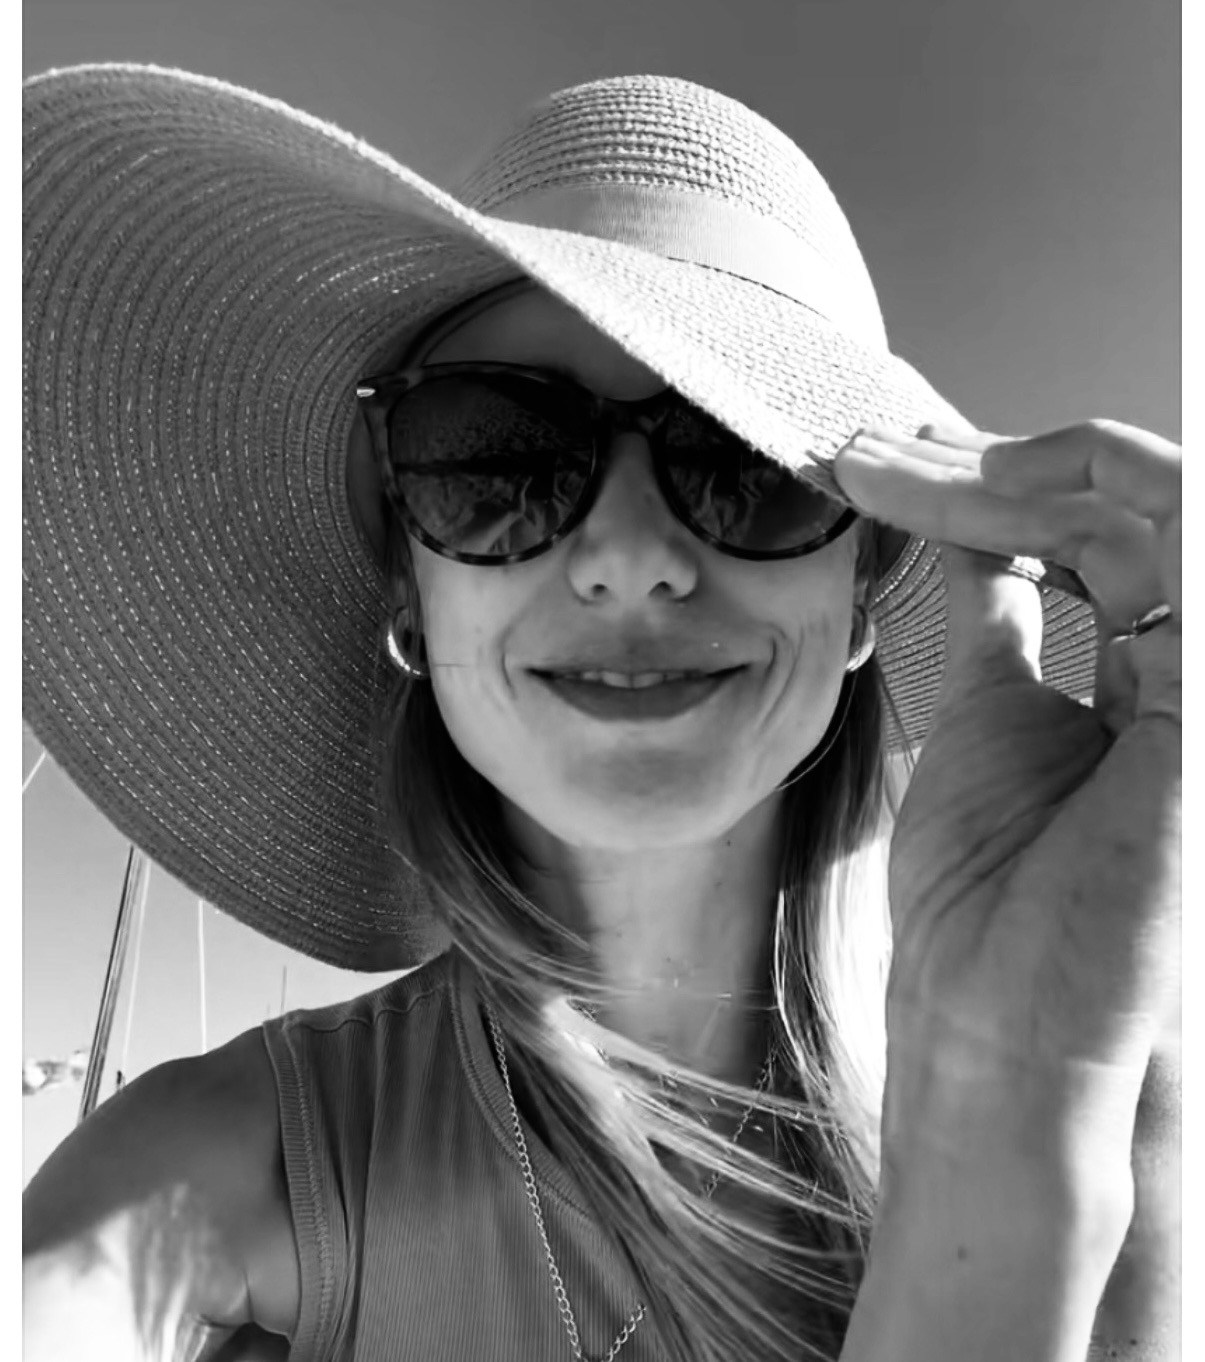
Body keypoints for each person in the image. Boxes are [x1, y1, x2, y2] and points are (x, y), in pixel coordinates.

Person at [21, 66, 1180, 1362]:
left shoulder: (1118, 1101)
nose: (630, 559)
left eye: (743, 456)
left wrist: (1028, 1126)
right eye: (493, 454)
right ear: (413, 585)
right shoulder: (195, 1176)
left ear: (862, 582)